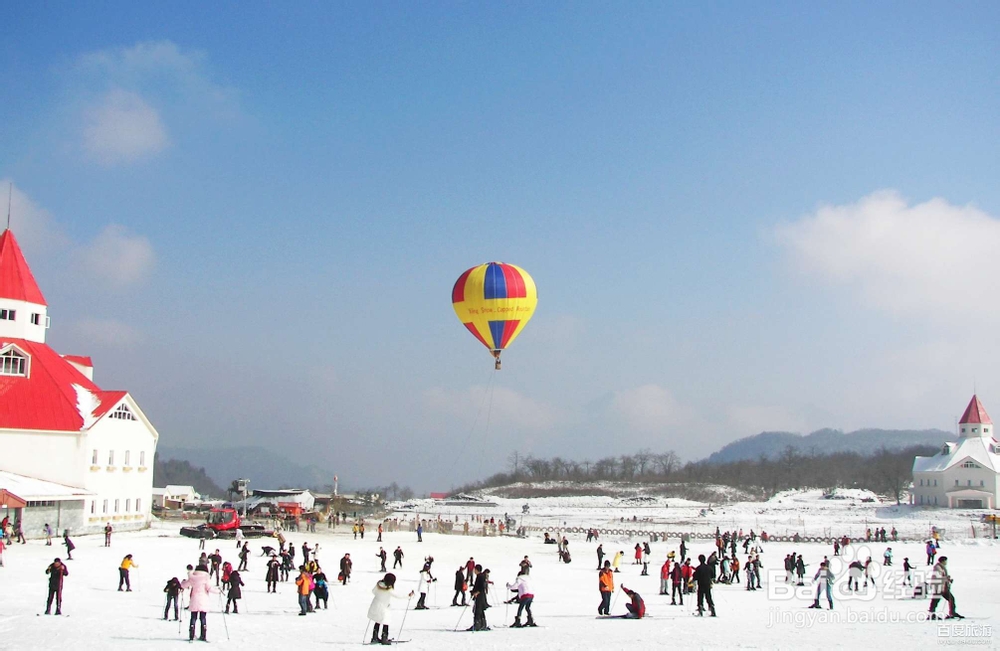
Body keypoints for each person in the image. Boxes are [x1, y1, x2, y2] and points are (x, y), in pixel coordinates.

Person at [368, 573, 414, 645]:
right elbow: (398, 596)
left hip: (375, 604)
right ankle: (384, 638)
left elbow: (373, 591)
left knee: (377, 621)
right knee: (386, 621)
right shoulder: (389, 589)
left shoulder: (378, 585)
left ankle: (374, 637)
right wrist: (408, 596)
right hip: (384, 607)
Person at [182, 564, 212, 640]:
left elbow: (184, 585)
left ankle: (191, 635)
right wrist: (219, 591)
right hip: (203, 600)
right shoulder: (206, 578)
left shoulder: (192, 577)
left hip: (194, 599)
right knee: (203, 618)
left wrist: (183, 582)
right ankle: (203, 635)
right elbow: (209, 588)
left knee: (193, 617)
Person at [469, 565, 491, 631]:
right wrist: (473, 591)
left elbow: (481, 587)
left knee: (477, 611)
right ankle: (482, 624)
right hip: (480, 596)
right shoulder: (480, 576)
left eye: (474, 570)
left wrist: (476, 592)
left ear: (476, 570)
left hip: (480, 596)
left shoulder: (480, 576)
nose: (474, 571)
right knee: (480, 610)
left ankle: (477, 625)